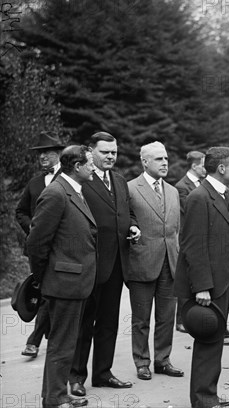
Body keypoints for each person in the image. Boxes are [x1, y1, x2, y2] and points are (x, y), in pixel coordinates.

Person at [69, 132, 141, 397]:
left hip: (117, 264)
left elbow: (127, 212)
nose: (110, 156)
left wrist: (133, 226)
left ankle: (102, 373)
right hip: (90, 265)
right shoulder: (81, 181)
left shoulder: (120, 181)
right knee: (84, 323)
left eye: (114, 152)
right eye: (105, 152)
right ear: (91, 152)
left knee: (109, 322)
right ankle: (76, 377)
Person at [27, 145, 97, 408]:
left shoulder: (73, 191)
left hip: (74, 282)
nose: (94, 168)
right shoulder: (56, 193)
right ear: (77, 166)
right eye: (90, 163)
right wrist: (44, 276)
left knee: (65, 343)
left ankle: (55, 394)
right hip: (63, 283)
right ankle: (55, 400)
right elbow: (36, 242)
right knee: (61, 344)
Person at [174, 146, 229, 408]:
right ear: (221, 168)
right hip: (208, 285)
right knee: (208, 339)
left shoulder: (223, 194)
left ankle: (209, 395)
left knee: (215, 341)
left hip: (222, 281)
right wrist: (201, 286)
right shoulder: (199, 197)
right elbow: (193, 245)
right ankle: (203, 399)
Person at [126, 141, 183, 381]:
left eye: (166, 159)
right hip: (142, 262)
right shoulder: (130, 189)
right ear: (145, 162)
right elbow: (126, 223)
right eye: (159, 159)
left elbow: (175, 230)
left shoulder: (173, 191)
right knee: (141, 319)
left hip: (169, 263)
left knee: (166, 317)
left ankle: (163, 359)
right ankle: (142, 361)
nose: (165, 163)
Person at [15, 133, 64, 358]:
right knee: (45, 292)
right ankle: (45, 334)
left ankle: (34, 340)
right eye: (39, 153)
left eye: (47, 152)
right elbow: (20, 212)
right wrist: (33, 230)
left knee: (49, 293)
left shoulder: (69, 178)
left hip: (63, 248)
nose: (42, 156)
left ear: (59, 153)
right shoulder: (35, 183)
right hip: (37, 249)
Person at [174, 151, 206, 333]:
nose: (205, 168)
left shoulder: (200, 184)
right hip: (188, 238)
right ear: (194, 166)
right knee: (186, 279)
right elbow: (191, 212)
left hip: (199, 237)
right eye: (203, 165)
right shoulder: (182, 187)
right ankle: (181, 320)